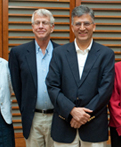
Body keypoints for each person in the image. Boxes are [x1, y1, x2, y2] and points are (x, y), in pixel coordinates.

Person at [46, 5, 115, 147]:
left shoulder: (106, 54)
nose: (82, 28)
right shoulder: (59, 53)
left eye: (86, 23)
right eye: (78, 24)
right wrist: (71, 110)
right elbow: (52, 86)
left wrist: (83, 116)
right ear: (72, 27)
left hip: (94, 126)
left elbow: (106, 90)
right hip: (64, 125)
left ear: (94, 26)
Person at [9, 9, 60, 147]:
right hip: (32, 118)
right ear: (32, 27)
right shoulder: (18, 53)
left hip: (57, 118)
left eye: (45, 22)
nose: (41, 26)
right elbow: (17, 87)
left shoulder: (63, 52)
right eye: (37, 23)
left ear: (52, 27)